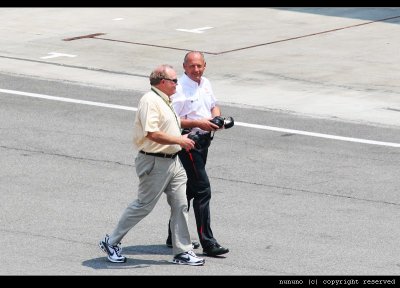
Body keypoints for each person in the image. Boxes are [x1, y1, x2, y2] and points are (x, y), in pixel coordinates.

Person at [99, 64, 205, 266]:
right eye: (174, 80)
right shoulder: (150, 101)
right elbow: (152, 133)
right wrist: (179, 141)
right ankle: (111, 242)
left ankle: (182, 251)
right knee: (143, 206)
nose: (177, 83)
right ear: (163, 82)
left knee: (181, 204)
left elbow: (169, 126)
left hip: (173, 161)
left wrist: (186, 133)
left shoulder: (165, 99)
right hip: (154, 161)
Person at [165, 51, 229, 257]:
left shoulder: (206, 83)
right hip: (188, 143)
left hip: (204, 142)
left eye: (199, 66)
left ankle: (173, 236)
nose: (196, 70)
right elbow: (172, 120)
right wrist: (199, 123)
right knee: (202, 190)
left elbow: (213, 105)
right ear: (184, 67)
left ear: (205, 66)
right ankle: (208, 242)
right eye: (192, 66)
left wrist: (216, 119)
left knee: (189, 191)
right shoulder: (179, 89)